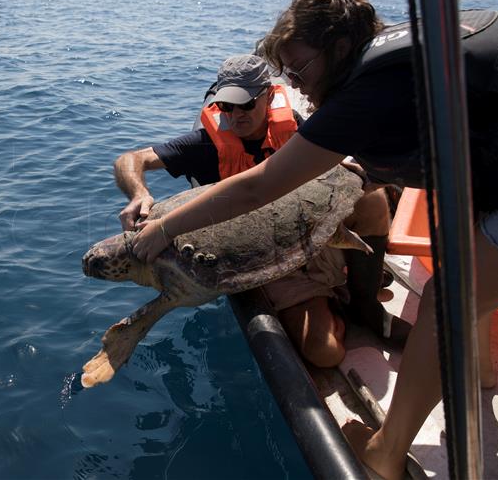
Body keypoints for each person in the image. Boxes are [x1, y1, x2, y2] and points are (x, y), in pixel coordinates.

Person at [130, 0, 498, 480]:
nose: (294, 84)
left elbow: (259, 187)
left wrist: (164, 230)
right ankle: (481, 369)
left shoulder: (367, 91)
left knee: (448, 302)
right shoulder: (404, 53)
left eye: (299, 68)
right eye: (285, 72)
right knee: (467, 242)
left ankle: (384, 454)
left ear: (339, 47)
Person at [114, 53, 397, 368]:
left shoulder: (298, 131)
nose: (236, 115)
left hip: (314, 228)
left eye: (246, 104)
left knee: (373, 197)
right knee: (325, 352)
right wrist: (138, 192)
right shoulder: (204, 145)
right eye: (226, 106)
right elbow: (130, 159)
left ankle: (364, 305)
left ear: (269, 95)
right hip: (267, 257)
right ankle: (335, 303)